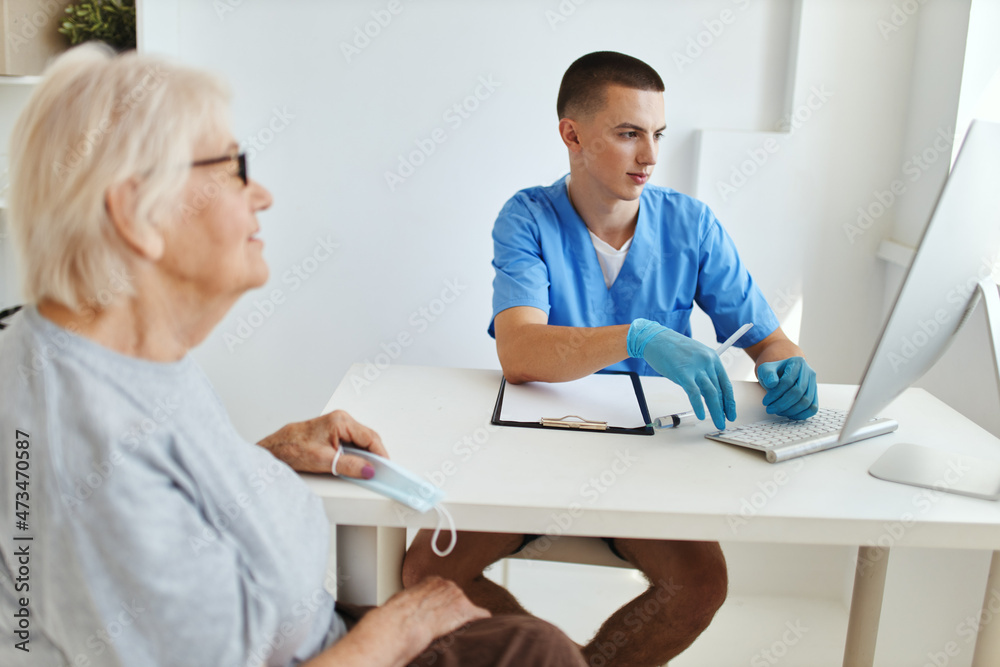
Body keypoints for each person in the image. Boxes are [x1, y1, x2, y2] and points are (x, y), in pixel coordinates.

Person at [0, 45, 588, 667]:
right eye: (232, 168)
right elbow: (114, 513)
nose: (262, 196)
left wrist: (263, 456)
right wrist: (401, 626)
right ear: (133, 212)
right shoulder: (85, 442)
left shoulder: (109, 353)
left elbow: (154, 530)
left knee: (534, 647)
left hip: (309, 632)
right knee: (537, 652)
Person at [402, 51, 819, 666]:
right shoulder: (528, 219)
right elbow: (518, 351)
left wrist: (789, 365)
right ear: (572, 134)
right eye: (628, 134)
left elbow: (768, 340)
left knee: (700, 585)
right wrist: (636, 337)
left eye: (656, 135)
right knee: (425, 571)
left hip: (645, 455)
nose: (650, 156)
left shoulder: (691, 225)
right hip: (537, 449)